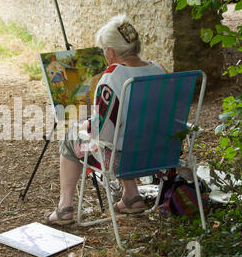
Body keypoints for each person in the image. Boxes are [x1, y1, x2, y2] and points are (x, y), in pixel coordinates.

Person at [45, 14, 167, 225]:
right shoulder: (159, 70)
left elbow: (101, 135)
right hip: (161, 155)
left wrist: (84, 126)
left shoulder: (112, 78)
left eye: (103, 50)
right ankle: (131, 197)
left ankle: (65, 208)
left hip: (125, 161)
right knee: (130, 133)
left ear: (110, 52)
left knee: (70, 138)